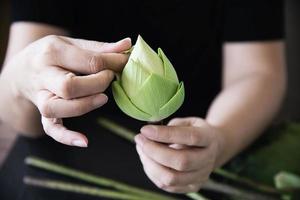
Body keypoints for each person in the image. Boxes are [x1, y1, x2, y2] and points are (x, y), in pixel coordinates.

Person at [0, 0, 285, 197]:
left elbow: (258, 72)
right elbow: (18, 114)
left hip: (202, 147)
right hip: (64, 159)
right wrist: (20, 80)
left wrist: (220, 137)